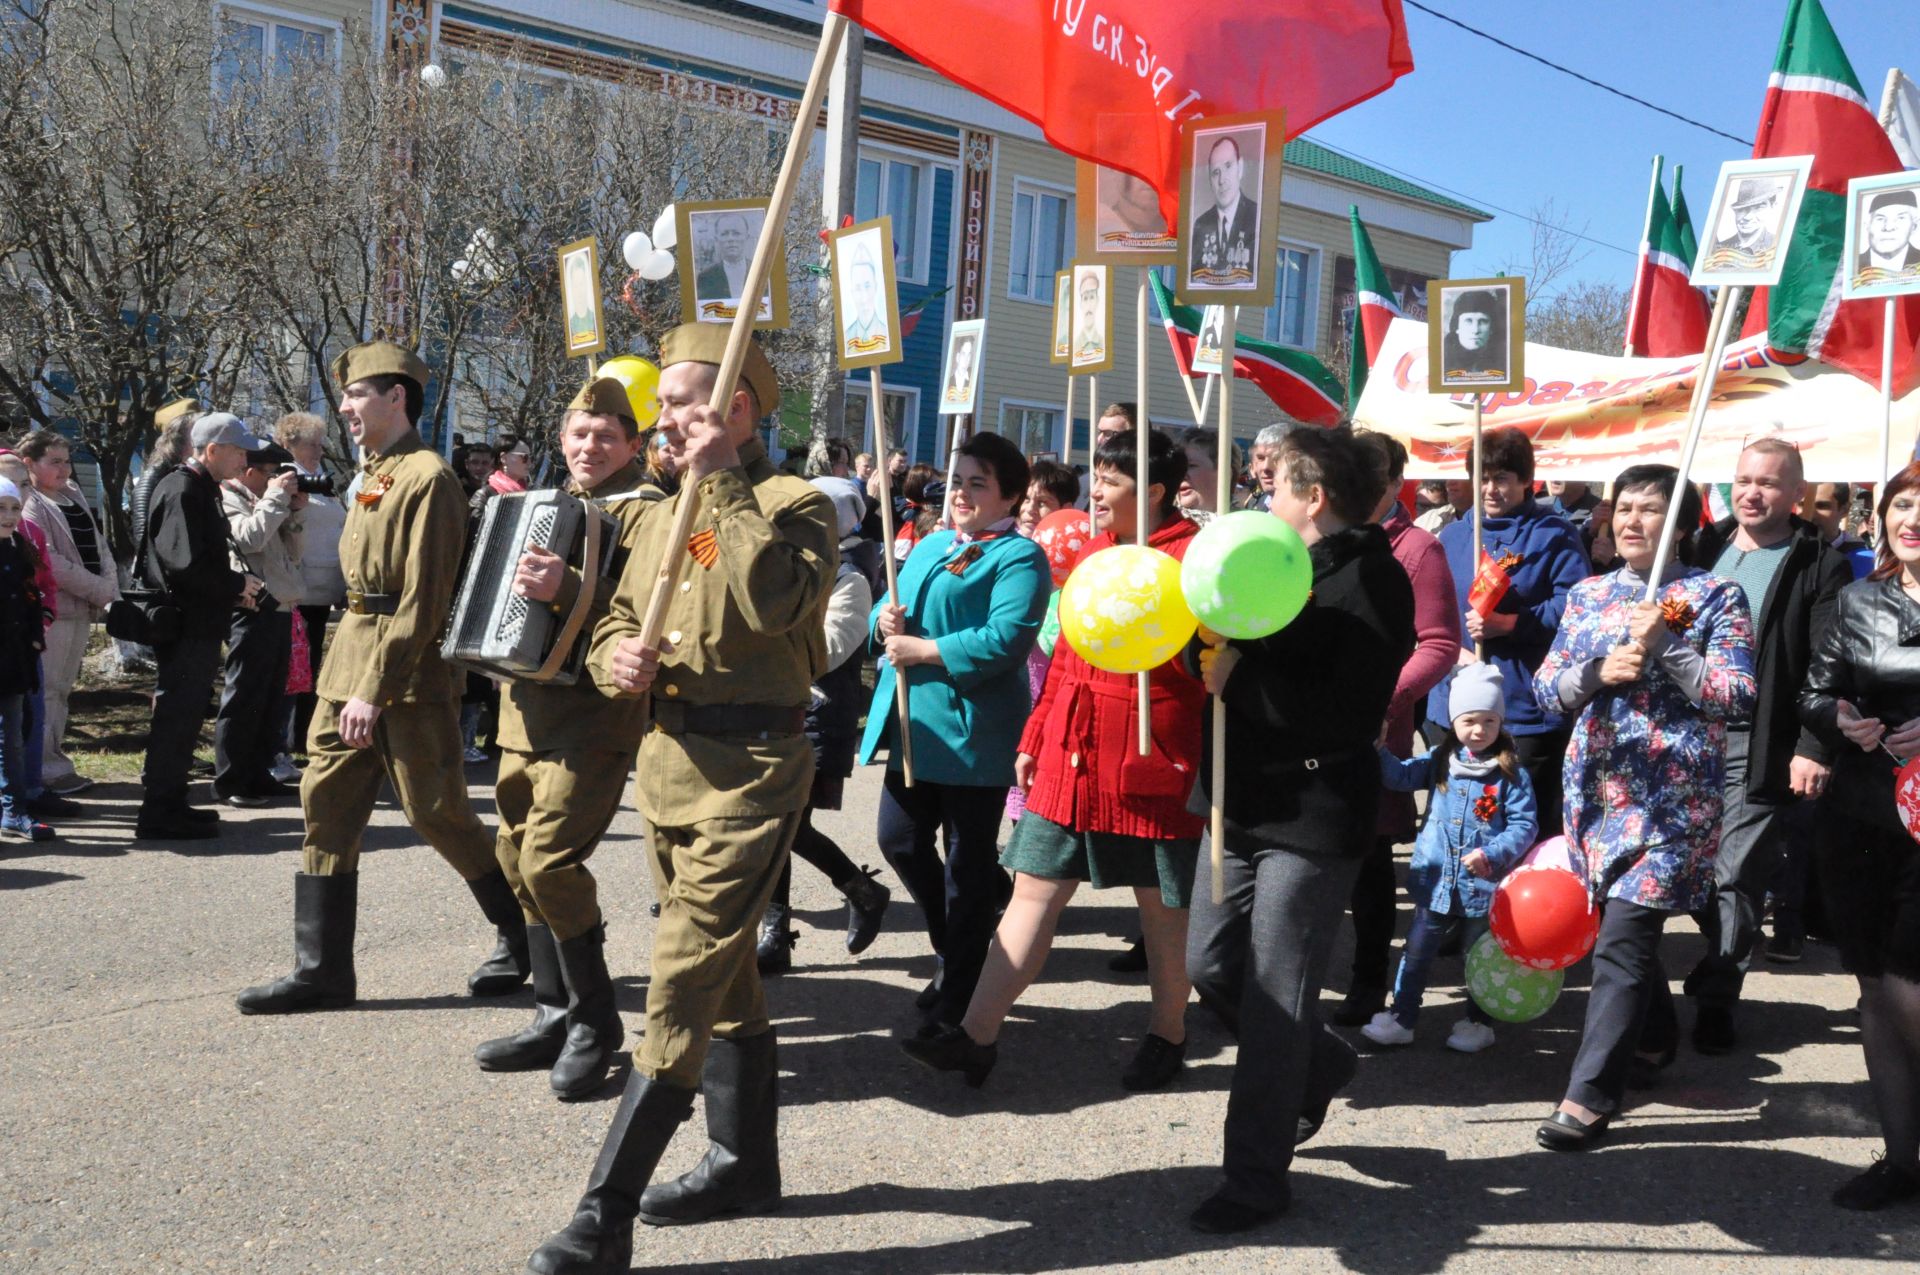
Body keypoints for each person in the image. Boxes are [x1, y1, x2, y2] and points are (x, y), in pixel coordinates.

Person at [522, 326, 836, 1271]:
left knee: (681, 977)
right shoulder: (656, 514)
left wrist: (725, 479)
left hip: (752, 770)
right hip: (666, 763)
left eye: (681, 404)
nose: (661, 421)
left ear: (735, 409)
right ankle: (744, 1163)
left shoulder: (795, 503)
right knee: (723, 974)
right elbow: (617, 611)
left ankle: (601, 1213)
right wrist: (617, 654)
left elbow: (775, 601)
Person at [903, 428, 1205, 1091]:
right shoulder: (1094, 553)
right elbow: (1064, 656)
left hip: (1150, 751)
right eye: (1095, 475)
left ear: (1152, 491)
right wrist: (1034, 735)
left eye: (1111, 480)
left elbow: (1206, 667)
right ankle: (975, 1034)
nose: (1094, 489)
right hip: (1071, 750)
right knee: (1033, 889)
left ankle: (1168, 1031)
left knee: (1161, 909)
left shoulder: (1190, 561)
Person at [236, 343, 530, 1014]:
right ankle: (321, 971)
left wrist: (375, 686)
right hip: (350, 660)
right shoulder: (372, 473)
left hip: (410, 673)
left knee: (438, 812)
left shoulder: (428, 477)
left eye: (358, 393)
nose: (343, 407)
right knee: (326, 807)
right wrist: (351, 679)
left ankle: (526, 934)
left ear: (397, 397)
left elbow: (424, 600)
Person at [1184, 425, 1413, 1233]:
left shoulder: (1373, 580)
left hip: (1312, 817)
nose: (1262, 498)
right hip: (1238, 800)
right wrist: (1202, 651)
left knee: (1279, 996)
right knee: (1208, 962)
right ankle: (1323, 1061)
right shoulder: (1263, 556)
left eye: (1275, 486)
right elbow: (1212, 644)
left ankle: (1254, 1177)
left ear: (1313, 498)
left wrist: (1238, 680)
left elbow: (1344, 714)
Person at [1532, 465, 1755, 1151]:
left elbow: (1735, 693)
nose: (1631, 521)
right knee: (1615, 930)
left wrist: (1667, 645)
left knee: (1625, 938)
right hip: (1596, 793)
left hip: (1671, 803)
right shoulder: (1589, 594)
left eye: (1650, 510)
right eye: (1623, 508)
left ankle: (1590, 1095)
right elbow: (1547, 690)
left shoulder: (1716, 594)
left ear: (1681, 522)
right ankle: (1655, 1035)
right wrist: (1597, 672)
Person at [475, 378, 662, 1101]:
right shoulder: (544, 505)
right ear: (561, 440)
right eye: (580, 434)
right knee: (517, 858)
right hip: (525, 707)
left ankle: (594, 1023)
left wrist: (569, 587)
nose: (592, 447)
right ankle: (553, 1012)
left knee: (551, 860)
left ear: (634, 445)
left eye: (608, 437)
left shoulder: (647, 512)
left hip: (592, 715)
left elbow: (642, 609)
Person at [859, 430, 1051, 1032]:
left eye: (978, 484)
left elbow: (1006, 637)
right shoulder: (932, 544)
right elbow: (887, 614)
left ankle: (963, 986)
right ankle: (951, 946)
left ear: (1011, 497)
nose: (962, 494)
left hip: (973, 732)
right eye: (958, 480)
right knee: (901, 842)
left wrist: (928, 648)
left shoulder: (1019, 557)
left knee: (966, 869)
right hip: (916, 727)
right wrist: (882, 619)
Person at [1683, 440, 1850, 1047]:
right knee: (1691, 875)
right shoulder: (1704, 547)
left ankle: (1718, 996)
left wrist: (1814, 744)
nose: (1753, 492)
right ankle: (1717, 956)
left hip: (1758, 742)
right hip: (1684, 739)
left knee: (1735, 874)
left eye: (1770, 483)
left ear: (1796, 493)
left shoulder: (1818, 561)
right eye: (1744, 480)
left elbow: (1829, 663)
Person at [1798, 463, 1920, 1209]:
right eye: (1903, 503)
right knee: (1874, 983)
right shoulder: (1858, 599)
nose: (1912, 518)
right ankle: (1901, 1157)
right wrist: (1837, 720)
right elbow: (1815, 690)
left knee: (1911, 983)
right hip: (1863, 816)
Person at [1335, 431, 1462, 1027]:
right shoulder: (1317, 540)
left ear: (1394, 483)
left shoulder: (1416, 550)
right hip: (1312, 730)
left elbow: (1438, 643)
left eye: (1372, 472)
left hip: (1373, 733)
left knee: (1368, 860)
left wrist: (1385, 697)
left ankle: (1367, 981)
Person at [755, 478, 891, 976]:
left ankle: (785, 928)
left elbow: (834, 646)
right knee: (779, 824)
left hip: (815, 715)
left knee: (783, 825)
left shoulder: (849, 576)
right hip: (776, 708)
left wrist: (767, 649)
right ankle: (856, 892)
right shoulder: (790, 567)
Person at [1365, 663, 1536, 1051]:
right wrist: (1378, 750)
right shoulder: (1442, 759)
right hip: (1436, 883)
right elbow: (1401, 777)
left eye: (1489, 721)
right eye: (1470, 720)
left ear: (1501, 723)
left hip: (1482, 887)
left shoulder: (1510, 773)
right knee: (1416, 953)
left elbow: (1524, 826)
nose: (1479, 730)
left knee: (1480, 958)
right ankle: (1403, 1016)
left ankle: (1477, 1022)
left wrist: (1493, 854)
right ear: (1455, 721)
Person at [1433, 426, 1590, 835]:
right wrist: (1451, 651)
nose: (1490, 489)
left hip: (1525, 709)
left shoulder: (1554, 535)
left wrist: (1511, 624)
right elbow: (1431, 611)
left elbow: (1575, 608)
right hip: (1457, 706)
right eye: (1481, 478)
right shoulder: (1452, 536)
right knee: (1461, 826)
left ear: (1525, 481)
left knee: (1524, 828)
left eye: (1501, 478)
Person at [135, 413, 266, 839]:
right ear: (212, 450)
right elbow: (184, 565)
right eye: (239, 450)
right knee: (176, 718)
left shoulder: (197, 488)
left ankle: (173, 803)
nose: (245, 458)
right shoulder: (181, 488)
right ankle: (158, 813)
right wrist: (237, 583)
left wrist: (232, 588)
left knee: (187, 717)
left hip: (199, 623)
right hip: (184, 626)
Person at [16, 431, 117, 799]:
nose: (64, 468)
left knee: (62, 690)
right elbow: (51, 563)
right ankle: (43, 769)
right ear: (30, 463)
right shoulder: (30, 502)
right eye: (54, 461)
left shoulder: (73, 493)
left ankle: (53, 761)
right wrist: (99, 588)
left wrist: (110, 587)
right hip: (55, 610)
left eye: (66, 460)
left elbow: (99, 544)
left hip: (82, 608)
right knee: (48, 692)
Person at [214, 441, 306, 807]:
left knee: (270, 696)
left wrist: (296, 514)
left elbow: (294, 553)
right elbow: (248, 539)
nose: (279, 481)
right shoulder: (228, 498)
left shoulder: (271, 500)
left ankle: (259, 772)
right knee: (244, 695)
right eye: (272, 473)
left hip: (280, 604)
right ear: (248, 471)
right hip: (251, 608)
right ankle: (232, 778)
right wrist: (274, 499)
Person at [274, 411, 348, 773]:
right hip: (298, 591)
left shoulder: (322, 482)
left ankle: (303, 736)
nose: (319, 450)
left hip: (323, 591)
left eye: (321, 444)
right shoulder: (286, 480)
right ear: (289, 444)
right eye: (311, 444)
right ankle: (283, 744)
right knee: (294, 671)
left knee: (310, 670)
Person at [0, 475, 53, 842]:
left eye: (15, 508)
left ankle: (13, 810)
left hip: (13, 661)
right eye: (1, 508)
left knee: (13, 737)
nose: (9, 515)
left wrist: (35, 639)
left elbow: (31, 596)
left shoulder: (19, 547)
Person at [1189, 134, 1258, 284]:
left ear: (1240, 168)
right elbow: (1194, 277)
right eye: (1215, 172)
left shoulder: (1257, 218)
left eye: (1228, 166)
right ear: (1210, 180)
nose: (1222, 180)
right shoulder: (1201, 225)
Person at [1176, 427, 1241, 524]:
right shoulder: (1160, 528)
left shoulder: (1243, 526)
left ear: (1225, 473)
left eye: (1191, 466)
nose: (1181, 474)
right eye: (1177, 467)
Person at [1440, 290, 1506, 381]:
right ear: (1456, 327)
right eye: (1468, 321)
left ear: (1491, 328)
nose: (1475, 330)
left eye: (1483, 321)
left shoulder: (1503, 361)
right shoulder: (1441, 360)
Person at [1855, 188, 1920, 280]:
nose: (1888, 227)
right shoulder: (1849, 266)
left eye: (1900, 218)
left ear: (1914, 227)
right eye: (1880, 219)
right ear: (1867, 226)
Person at [1713, 178, 1781, 262]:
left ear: (1773, 207)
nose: (1747, 217)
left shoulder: (1779, 246)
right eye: (1742, 209)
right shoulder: (1718, 250)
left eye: (1758, 207)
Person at [695, 210, 753, 303]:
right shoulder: (705, 277)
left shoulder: (761, 272)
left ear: (747, 237)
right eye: (725, 234)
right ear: (716, 239)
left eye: (736, 233)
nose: (731, 239)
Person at [1016, 459, 1079, 538]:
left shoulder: (1075, 547)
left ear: (1066, 509)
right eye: (1026, 498)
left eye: (1042, 503)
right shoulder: (1001, 542)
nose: (1030, 509)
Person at [1241, 423, 1294, 512]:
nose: (1266, 467)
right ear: (1252, 467)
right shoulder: (1253, 504)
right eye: (1260, 458)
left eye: (1275, 458)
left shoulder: (1304, 511)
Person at [843, 257, 889, 354]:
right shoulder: (846, 338)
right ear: (852, 292)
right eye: (858, 288)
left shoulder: (888, 335)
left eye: (867, 286)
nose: (864, 295)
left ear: (875, 287)